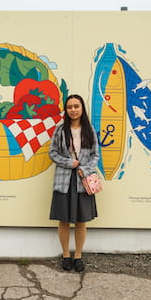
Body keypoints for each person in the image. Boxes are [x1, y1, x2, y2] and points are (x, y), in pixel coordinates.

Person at [49, 94, 99, 273]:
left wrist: (84, 169)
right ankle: (65, 255)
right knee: (63, 220)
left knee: (81, 220)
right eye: (69, 107)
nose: (73, 110)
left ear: (82, 108)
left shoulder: (89, 130)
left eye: (76, 106)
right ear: (66, 110)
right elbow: (52, 153)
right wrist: (70, 163)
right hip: (63, 180)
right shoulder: (60, 130)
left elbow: (95, 155)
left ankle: (78, 255)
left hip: (82, 181)